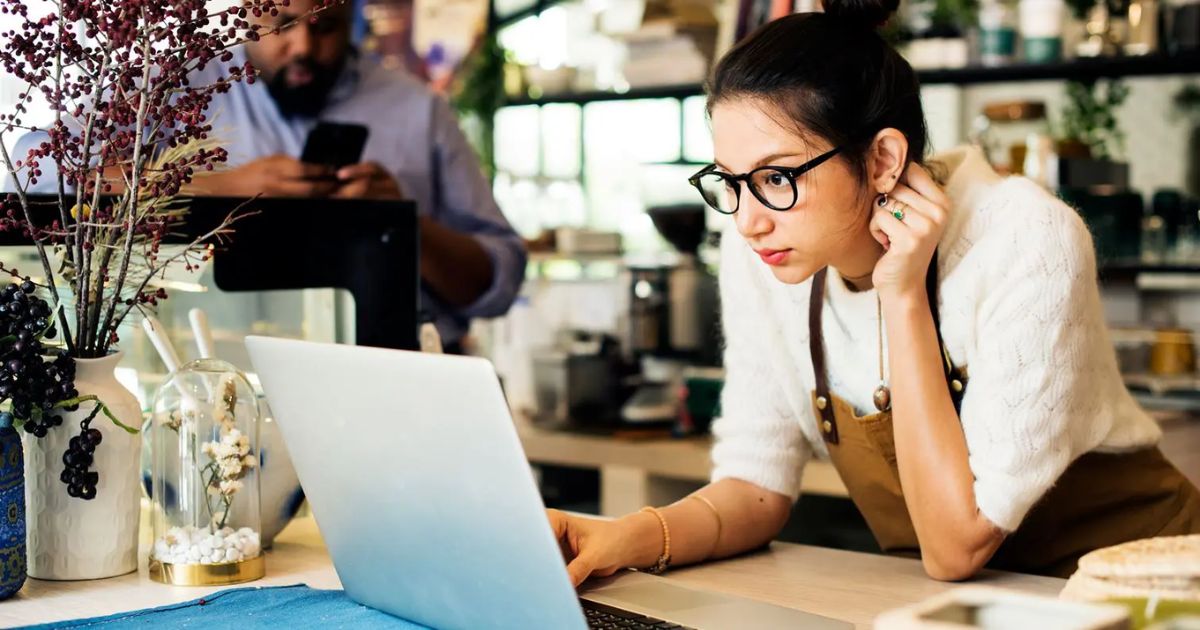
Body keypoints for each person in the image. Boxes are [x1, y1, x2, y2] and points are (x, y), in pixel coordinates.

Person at [548, 0, 1200, 582]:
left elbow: (954, 546)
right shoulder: (764, 253)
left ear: (884, 159)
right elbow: (754, 485)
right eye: (730, 181)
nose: (747, 219)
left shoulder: (1025, 239)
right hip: (978, 604)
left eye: (777, 178)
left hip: (1148, 589)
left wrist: (903, 294)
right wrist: (629, 537)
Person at [10, 0, 525, 350]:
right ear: (246, 11)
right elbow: (36, 168)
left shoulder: (416, 110)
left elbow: (500, 280)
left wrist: (398, 223)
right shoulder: (178, 88)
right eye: (280, 22)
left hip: (400, 366)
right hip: (223, 377)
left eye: (325, 24)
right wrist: (213, 186)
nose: (302, 46)